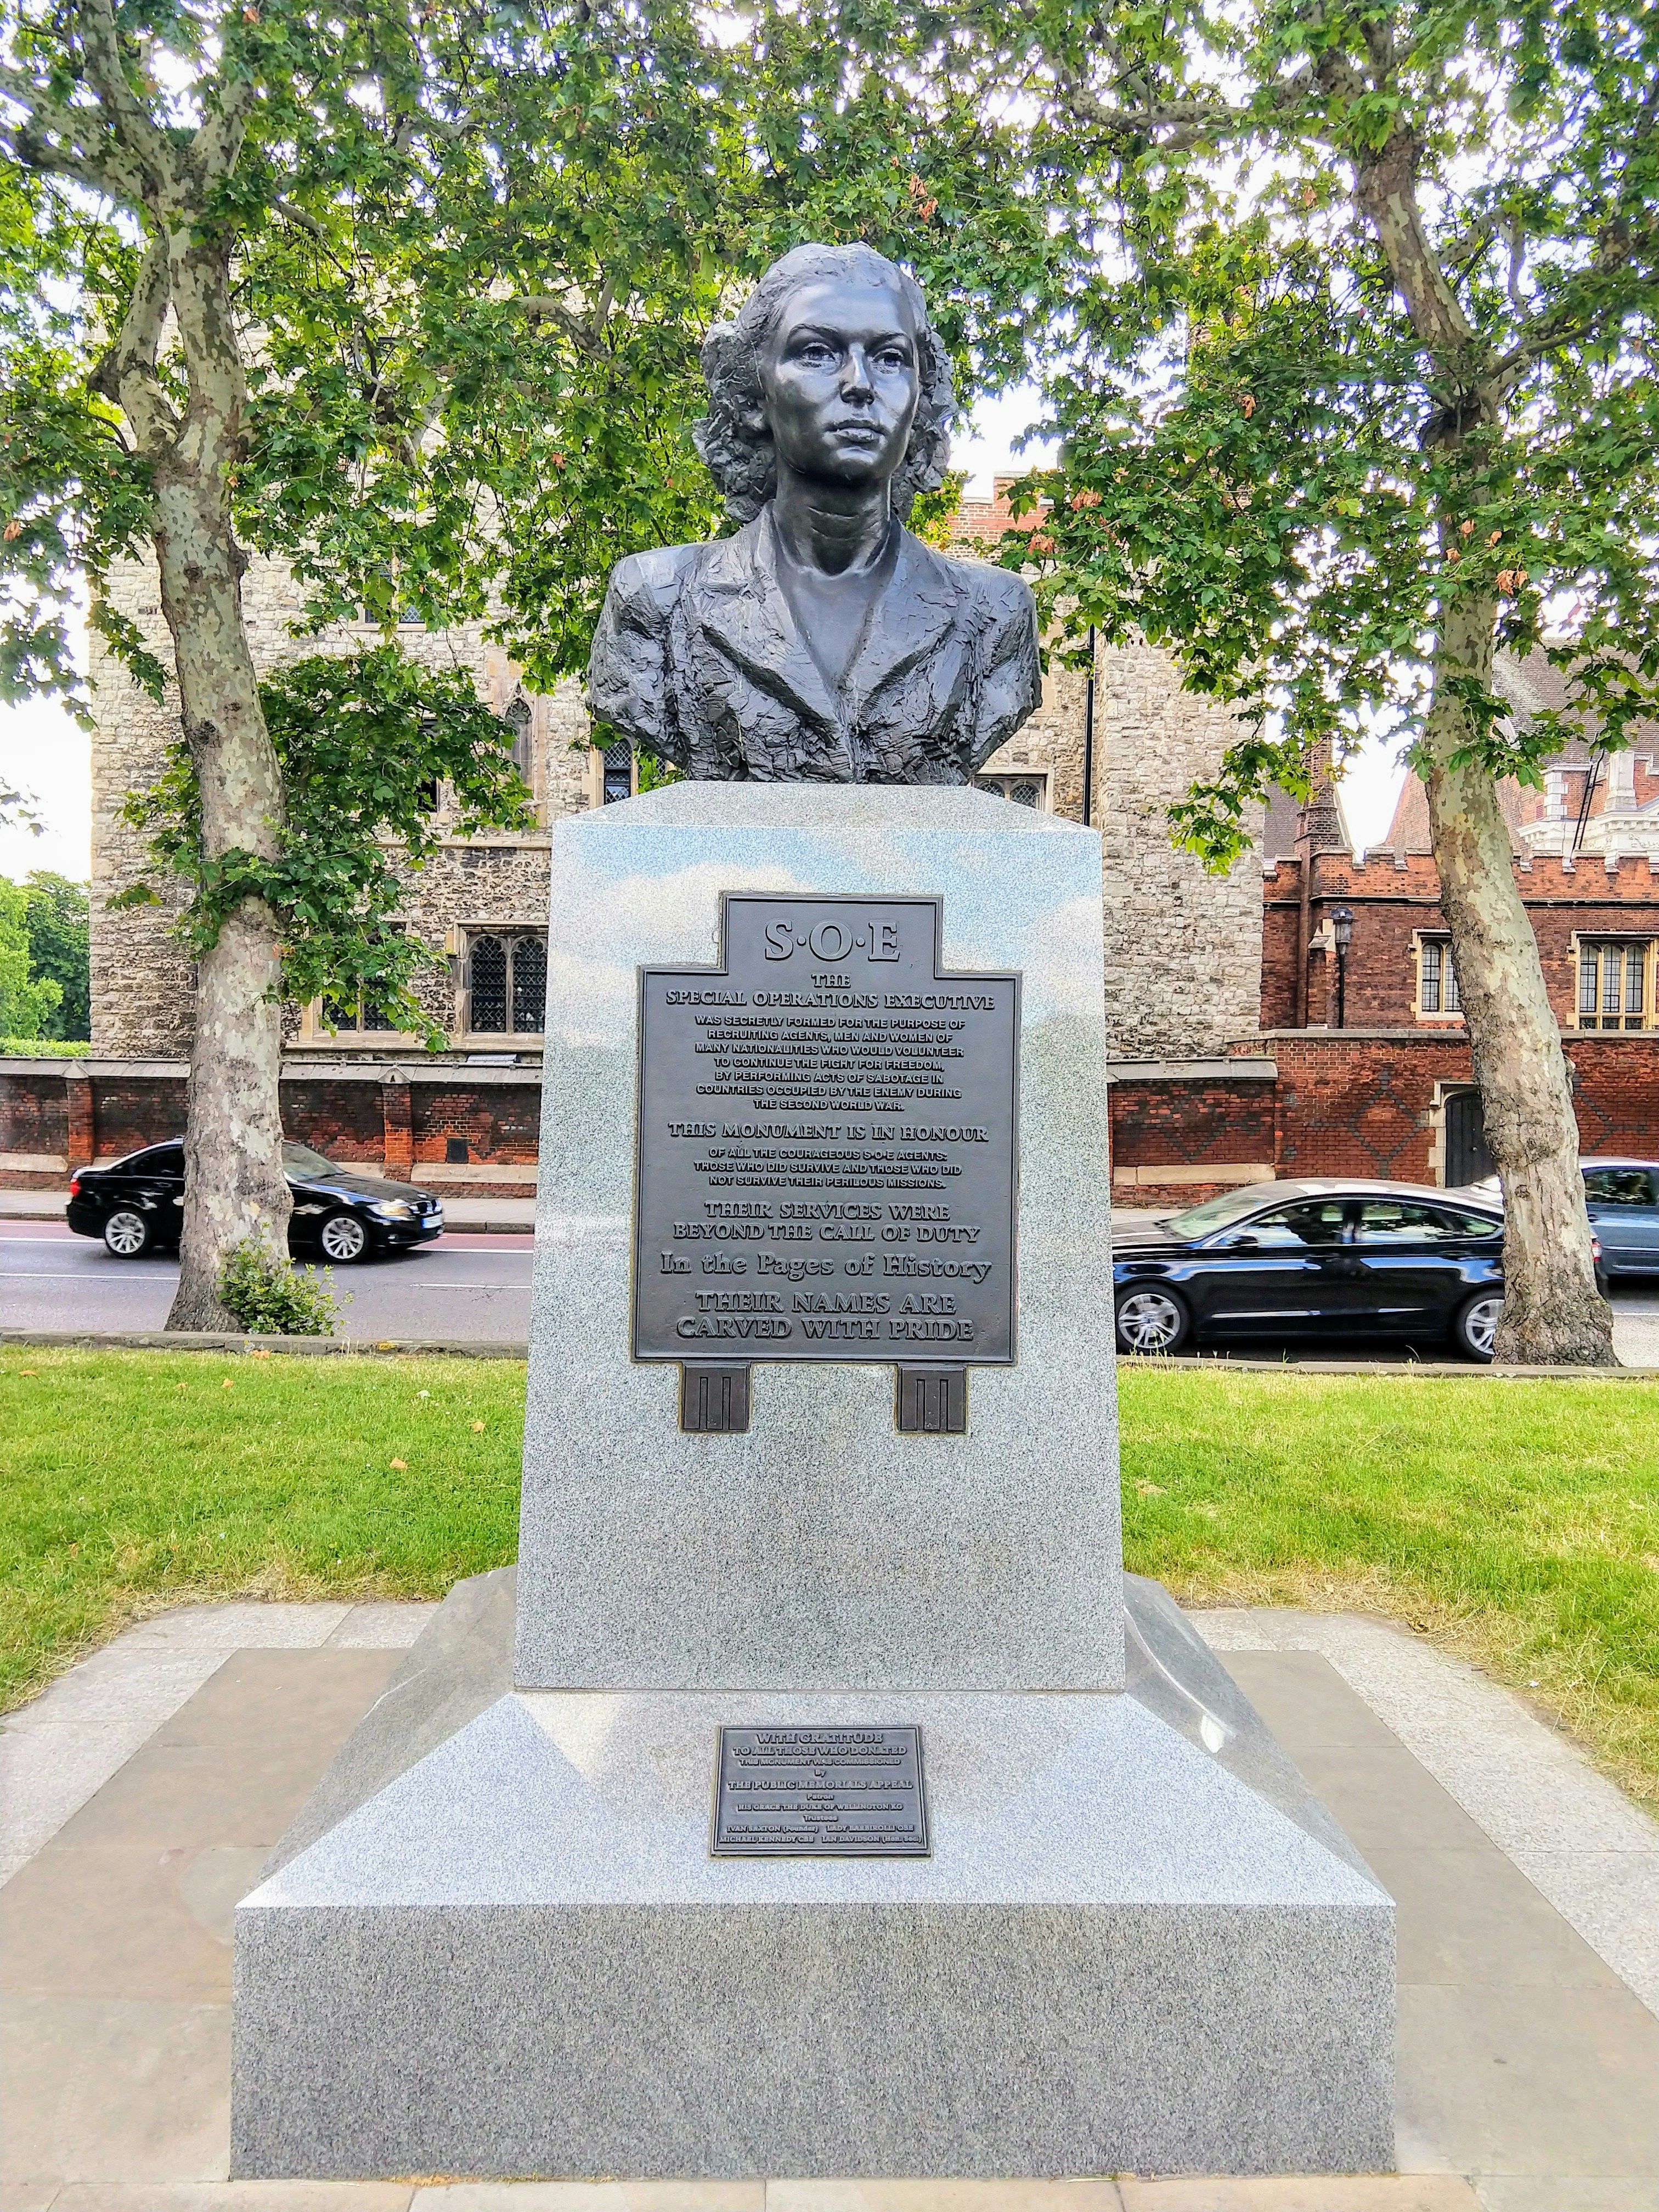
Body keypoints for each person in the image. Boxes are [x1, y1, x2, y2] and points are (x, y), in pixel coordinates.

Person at [586, 243, 1041, 783]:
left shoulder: (994, 614)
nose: (859, 383)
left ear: (922, 396)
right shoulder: (654, 598)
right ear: (755, 392)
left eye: (890, 358)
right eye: (817, 352)